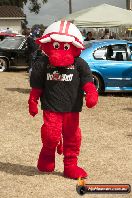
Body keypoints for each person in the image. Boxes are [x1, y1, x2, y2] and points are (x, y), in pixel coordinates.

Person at [28, 20, 98, 179]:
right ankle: (47, 156)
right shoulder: (43, 64)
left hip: (72, 108)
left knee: (72, 137)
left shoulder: (80, 64)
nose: (60, 52)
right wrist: (33, 101)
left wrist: (91, 94)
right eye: (56, 46)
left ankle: (70, 166)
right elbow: (37, 86)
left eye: (65, 47)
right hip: (51, 106)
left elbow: (87, 81)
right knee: (51, 135)